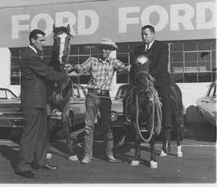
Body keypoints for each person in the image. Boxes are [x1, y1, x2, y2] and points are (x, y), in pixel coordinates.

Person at [15, 29, 69, 178]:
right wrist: (66, 75)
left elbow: (45, 73)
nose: (43, 44)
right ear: (32, 40)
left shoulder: (34, 56)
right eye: (41, 40)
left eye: (44, 41)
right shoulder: (29, 55)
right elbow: (47, 74)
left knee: (42, 134)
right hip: (32, 102)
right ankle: (23, 166)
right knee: (30, 134)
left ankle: (40, 162)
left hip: (39, 101)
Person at [68, 38, 131, 164]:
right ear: (99, 49)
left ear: (110, 50)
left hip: (105, 98)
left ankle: (110, 154)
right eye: (102, 48)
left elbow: (126, 69)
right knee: (88, 126)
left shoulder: (114, 62)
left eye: (107, 48)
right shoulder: (92, 60)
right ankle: (87, 155)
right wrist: (73, 66)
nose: (104, 50)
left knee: (107, 126)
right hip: (91, 96)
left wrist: (138, 63)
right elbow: (81, 69)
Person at [130, 25, 172, 156]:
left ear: (153, 34)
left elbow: (162, 64)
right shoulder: (137, 50)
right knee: (130, 98)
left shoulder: (162, 46)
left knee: (166, 101)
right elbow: (135, 66)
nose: (144, 37)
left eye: (146, 34)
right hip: (142, 82)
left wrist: (150, 75)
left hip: (159, 80)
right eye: (142, 34)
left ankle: (166, 133)